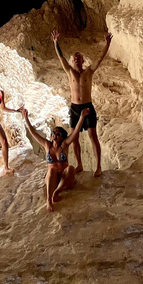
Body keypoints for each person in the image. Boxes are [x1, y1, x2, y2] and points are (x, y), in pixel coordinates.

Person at [51, 30, 113, 176]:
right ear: (73, 61)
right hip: (74, 108)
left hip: (87, 106)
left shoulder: (89, 72)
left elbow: (100, 59)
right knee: (74, 137)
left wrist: (107, 44)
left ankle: (98, 167)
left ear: (83, 61)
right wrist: (56, 43)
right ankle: (79, 164)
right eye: (75, 59)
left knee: (93, 135)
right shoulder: (70, 72)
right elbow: (61, 58)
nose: (76, 61)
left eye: (79, 59)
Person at [21, 107, 90, 212]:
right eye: (54, 133)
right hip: (52, 178)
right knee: (51, 170)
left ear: (62, 137)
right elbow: (33, 133)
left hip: (64, 179)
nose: (55, 136)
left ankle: (57, 192)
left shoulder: (64, 145)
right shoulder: (47, 145)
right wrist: (26, 118)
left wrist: (82, 117)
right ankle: (49, 201)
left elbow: (75, 132)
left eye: (58, 134)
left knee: (71, 168)